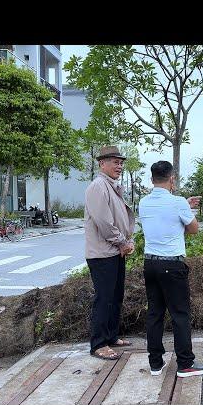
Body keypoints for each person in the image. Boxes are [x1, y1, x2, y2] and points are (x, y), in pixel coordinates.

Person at [138, 160, 203, 378]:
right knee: (180, 314)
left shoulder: (143, 202)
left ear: (152, 180)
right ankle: (185, 364)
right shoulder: (178, 202)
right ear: (172, 179)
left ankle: (155, 363)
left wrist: (182, 205)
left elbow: (162, 217)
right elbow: (193, 229)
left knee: (155, 314)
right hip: (172, 264)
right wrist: (186, 208)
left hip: (150, 263)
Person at [84, 146, 136, 360]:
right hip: (102, 254)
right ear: (101, 164)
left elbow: (121, 219)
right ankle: (98, 344)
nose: (119, 166)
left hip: (115, 252)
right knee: (104, 298)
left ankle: (112, 335)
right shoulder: (98, 187)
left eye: (121, 162)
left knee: (116, 297)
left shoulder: (112, 186)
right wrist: (122, 242)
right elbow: (104, 223)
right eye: (114, 162)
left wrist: (127, 241)